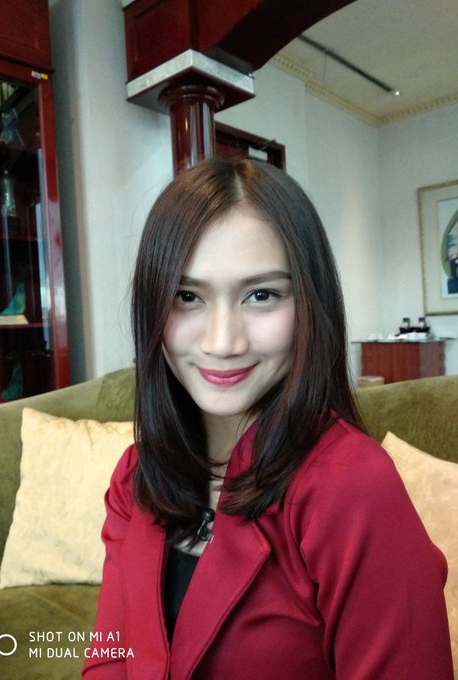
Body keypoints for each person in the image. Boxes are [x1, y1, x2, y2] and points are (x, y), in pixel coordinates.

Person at [83, 158, 453, 679]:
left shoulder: (354, 487)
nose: (222, 342)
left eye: (261, 295)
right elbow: (109, 655)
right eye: (187, 296)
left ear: (309, 305)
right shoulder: (134, 476)